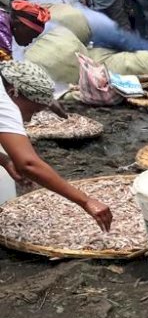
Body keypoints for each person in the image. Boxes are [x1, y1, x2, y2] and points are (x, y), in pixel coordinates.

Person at [0, 61, 112, 229]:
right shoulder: (5, 104)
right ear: (13, 92)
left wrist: (5, 160)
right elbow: (28, 164)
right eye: (33, 111)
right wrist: (86, 201)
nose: (29, 119)